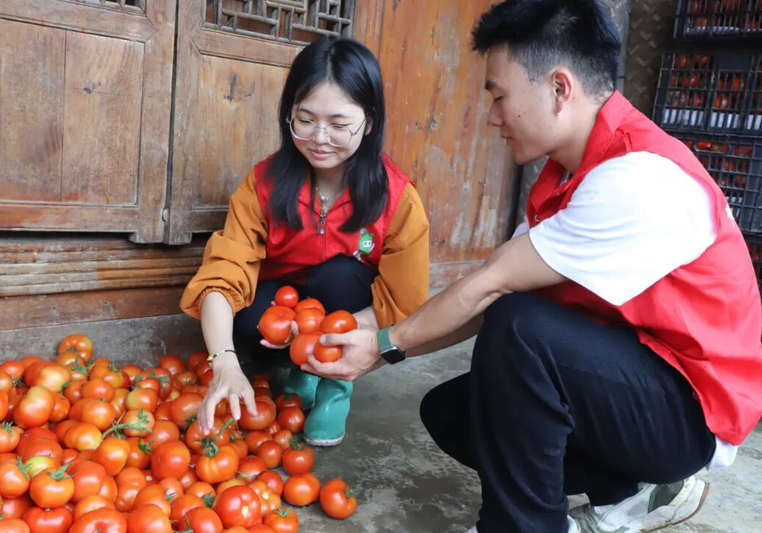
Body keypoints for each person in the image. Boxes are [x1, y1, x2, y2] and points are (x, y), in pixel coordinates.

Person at [301, 1, 762, 532]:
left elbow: (493, 288)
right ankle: (627, 490)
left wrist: (385, 343)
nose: (493, 116)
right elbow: (489, 288)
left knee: (520, 328)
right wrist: (382, 344)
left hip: (691, 412)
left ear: (559, 89)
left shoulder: (637, 177)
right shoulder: (566, 176)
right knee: (458, 412)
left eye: (499, 96)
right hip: (636, 381)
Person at [180, 37, 430, 447]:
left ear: (369, 122)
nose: (319, 137)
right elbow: (221, 275)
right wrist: (223, 361)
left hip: (347, 315)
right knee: (247, 314)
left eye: (338, 123)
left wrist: (324, 335)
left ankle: (334, 387)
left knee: (340, 277)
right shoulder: (263, 184)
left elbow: (404, 300)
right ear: (288, 115)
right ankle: (300, 369)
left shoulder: (397, 198)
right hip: (280, 310)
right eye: (306, 118)